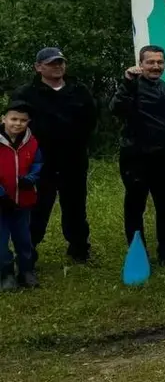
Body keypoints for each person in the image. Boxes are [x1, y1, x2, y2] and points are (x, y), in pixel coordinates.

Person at [110, 46, 165, 266]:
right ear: (141, 64)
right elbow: (116, 108)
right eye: (150, 62)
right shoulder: (133, 86)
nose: (156, 66)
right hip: (136, 157)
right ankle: (137, 254)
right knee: (135, 207)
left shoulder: (160, 86)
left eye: (160, 62)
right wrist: (128, 82)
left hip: (162, 156)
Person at [12, 47, 97, 266]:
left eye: (60, 62)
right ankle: (28, 251)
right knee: (38, 206)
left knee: (76, 206)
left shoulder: (79, 90)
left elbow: (91, 119)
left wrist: (79, 142)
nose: (57, 66)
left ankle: (79, 248)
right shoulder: (25, 93)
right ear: (38, 67)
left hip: (74, 159)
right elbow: (16, 123)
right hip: (40, 161)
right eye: (51, 63)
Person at [0, 102, 43, 290]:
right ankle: (6, 274)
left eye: (23, 120)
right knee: (1, 242)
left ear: (29, 122)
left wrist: (32, 178)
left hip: (23, 202)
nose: (18, 123)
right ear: (3, 119)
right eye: (14, 119)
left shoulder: (32, 142)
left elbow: (38, 162)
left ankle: (26, 271)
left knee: (24, 239)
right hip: (1, 203)